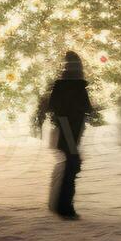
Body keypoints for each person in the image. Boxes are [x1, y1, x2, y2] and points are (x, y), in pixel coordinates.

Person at [34, 52, 99, 219]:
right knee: (71, 166)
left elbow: (53, 106)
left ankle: (58, 204)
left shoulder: (60, 86)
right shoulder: (77, 88)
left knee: (69, 166)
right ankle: (64, 207)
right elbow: (85, 109)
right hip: (70, 132)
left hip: (65, 130)